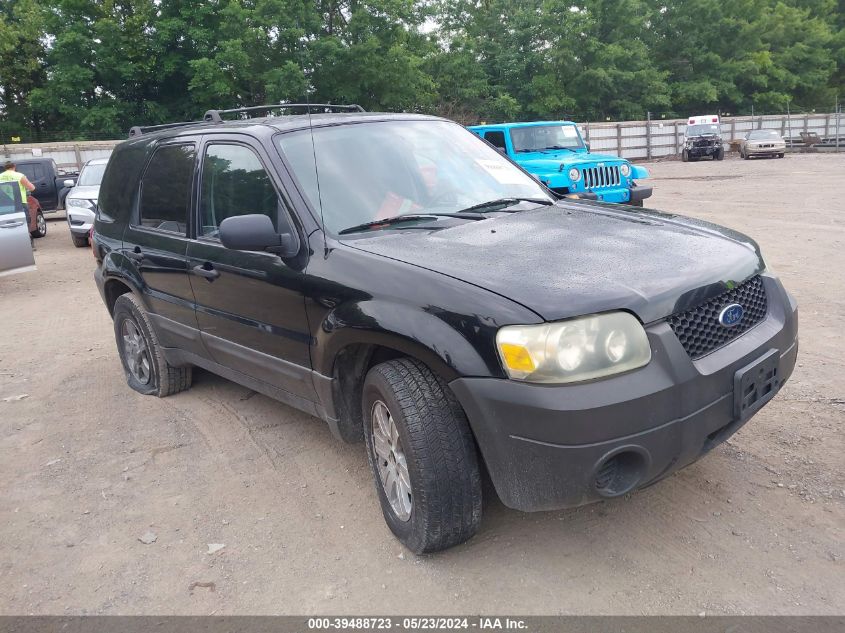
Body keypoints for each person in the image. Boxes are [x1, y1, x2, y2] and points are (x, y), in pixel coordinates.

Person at [0, 161, 37, 247]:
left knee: (5, 224)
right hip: (20, 202)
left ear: (5, 167)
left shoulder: (0, 176)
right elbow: (32, 188)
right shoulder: (19, 176)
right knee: (23, 223)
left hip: (3, 204)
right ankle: (28, 244)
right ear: (14, 166)